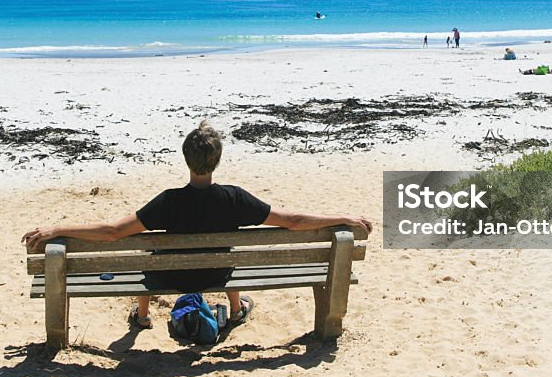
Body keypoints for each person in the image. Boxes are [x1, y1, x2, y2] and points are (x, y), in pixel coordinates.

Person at [21, 121, 373, 330]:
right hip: (218, 277)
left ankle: (142, 317)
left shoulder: (167, 202)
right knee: (227, 248)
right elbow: (293, 221)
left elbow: (112, 232)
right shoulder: (235, 199)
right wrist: (342, 218)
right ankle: (235, 309)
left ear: (186, 159)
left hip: (168, 277)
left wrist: (57, 229)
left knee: (148, 250)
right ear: (217, 160)